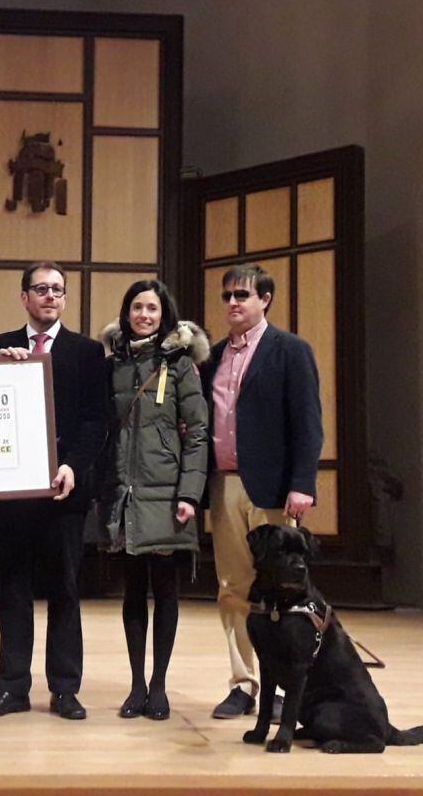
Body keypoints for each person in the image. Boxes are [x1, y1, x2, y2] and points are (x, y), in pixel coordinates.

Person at [0, 261, 108, 721]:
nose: (50, 296)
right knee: (12, 591)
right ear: (24, 297)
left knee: (66, 590)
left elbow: (96, 421)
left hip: (64, 490)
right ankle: (12, 688)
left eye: (58, 290)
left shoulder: (89, 353)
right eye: (41, 289)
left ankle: (65, 689)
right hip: (11, 493)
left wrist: (72, 465)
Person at [201, 264, 323, 720]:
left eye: (243, 295)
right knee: (233, 588)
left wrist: (303, 484)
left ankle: (284, 687)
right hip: (224, 484)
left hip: (273, 488)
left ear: (265, 299)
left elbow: (308, 423)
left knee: (281, 590)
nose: (234, 303)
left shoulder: (290, 351)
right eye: (228, 296)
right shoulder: (212, 357)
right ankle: (244, 683)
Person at [99, 279, 209, 720]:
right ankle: (136, 685)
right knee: (132, 592)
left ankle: (159, 685)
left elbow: (198, 432)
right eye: (137, 307)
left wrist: (189, 494)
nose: (144, 315)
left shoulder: (181, 365)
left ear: (165, 315)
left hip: (166, 495)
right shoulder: (114, 364)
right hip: (125, 492)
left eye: (153, 308)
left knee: (165, 590)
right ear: (126, 312)